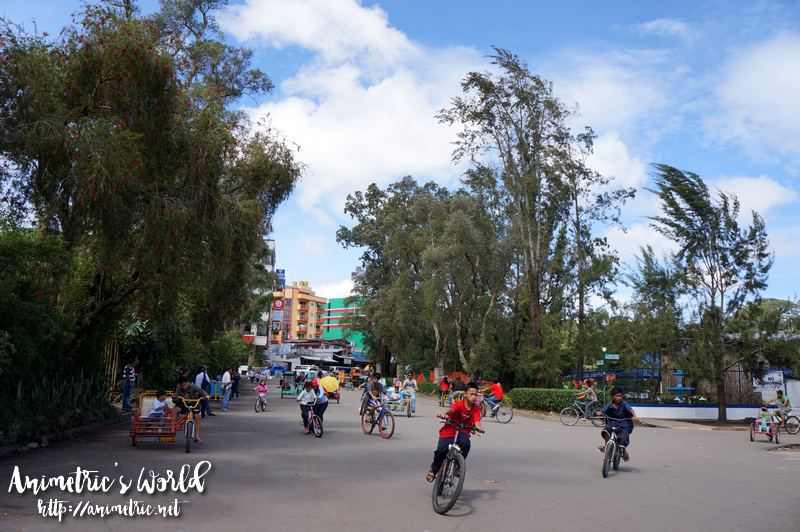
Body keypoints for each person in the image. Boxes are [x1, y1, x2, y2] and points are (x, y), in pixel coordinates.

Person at [426, 381, 485, 482]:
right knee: (441, 450)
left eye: (476, 395)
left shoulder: (476, 408)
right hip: (450, 429)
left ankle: (458, 466)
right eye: (471, 394)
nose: (474, 397)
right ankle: (434, 469)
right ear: (465, 394)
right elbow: (451, 410)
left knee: (465, 443)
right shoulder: (459, 404)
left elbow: (477, 422)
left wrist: (479, 427)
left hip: (463, 430)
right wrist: (444, 413)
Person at [599, 386, 638, 462]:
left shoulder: (624, 403)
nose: (619, 398)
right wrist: (600, 413)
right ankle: (607, 446)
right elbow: (604, 410)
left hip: (625, 424)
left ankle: (623, 451)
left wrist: (634, 416)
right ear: (613, 397)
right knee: (607, 429)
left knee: (623, 438)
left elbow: (630, 409)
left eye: (620, 396)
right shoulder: (609, 405)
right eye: (617, 396)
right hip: (614, 422)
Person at [171, 376, 209, 444]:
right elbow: (175, 398)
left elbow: (201, 391)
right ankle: (172, 429)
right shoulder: (178, 389)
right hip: (183, 404)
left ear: (188, 382)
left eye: (185, 385)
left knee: (198, 417)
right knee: (173, 410)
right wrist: (174, 399)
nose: (184, 387)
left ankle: (197, 437)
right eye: (182, 386)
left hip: (193, 403)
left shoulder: (192, 386)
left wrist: (206, 395)